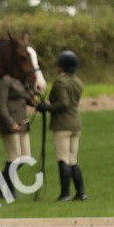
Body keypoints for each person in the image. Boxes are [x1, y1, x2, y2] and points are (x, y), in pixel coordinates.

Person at [0, 73, 34, 199]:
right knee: (14, 157)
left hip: (22, 122)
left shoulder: (20, 79)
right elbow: (0, 105)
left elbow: (26, 97)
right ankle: (9, 189)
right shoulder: (3, 80)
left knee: (25, 157)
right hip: (10, 124)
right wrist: (10, 122)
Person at [49, 50, 86, 202]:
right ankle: (81, 192)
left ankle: (65, 193)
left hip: (63, 124)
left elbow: (63, 103)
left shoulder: (60, 82)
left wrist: (46, 108)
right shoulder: (78, 82)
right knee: (73, 159)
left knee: (63, 159)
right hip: (76, 123)